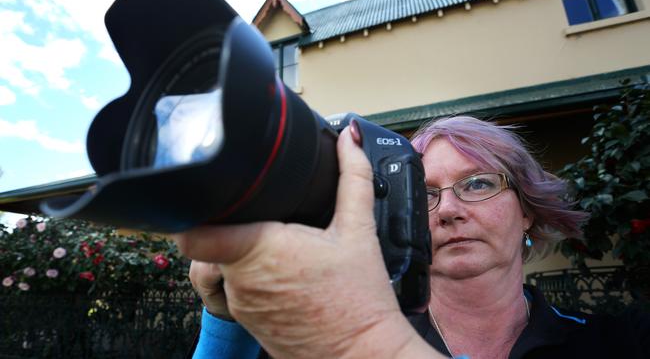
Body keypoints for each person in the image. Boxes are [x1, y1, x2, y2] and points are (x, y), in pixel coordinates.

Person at [175, 116, 650, 358]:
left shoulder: (617, 343)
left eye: (479, 183)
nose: (449, 211)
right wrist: (226, 323)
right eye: (423, 194)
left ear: (525, 210)